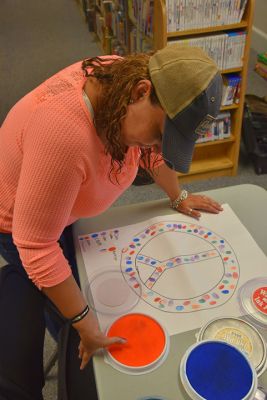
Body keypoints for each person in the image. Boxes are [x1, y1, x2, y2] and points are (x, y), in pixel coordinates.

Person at [0, 44, 223, 399]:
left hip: (62, 204)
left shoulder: (129, 79)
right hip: (20, 226)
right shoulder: (65, 136)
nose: (159, 148)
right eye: (160, 134)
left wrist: (177, 196)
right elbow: (36, 246)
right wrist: (84, 323)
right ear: (140, 92)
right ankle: (75, 363)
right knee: (74, 316)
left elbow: (149, 150)